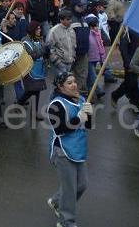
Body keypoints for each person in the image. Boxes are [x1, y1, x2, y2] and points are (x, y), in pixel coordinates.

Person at [46, 71, 93, 227]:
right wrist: (78, 118)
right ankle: (67, 221)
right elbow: (60, 129)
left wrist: (89, 114)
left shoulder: (81, 100)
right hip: (63, 152)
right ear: (60, 86)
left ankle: (56, 201)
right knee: (70, 190)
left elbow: (88, 126)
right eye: (69, 83)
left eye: (74, 81)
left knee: (82, 185)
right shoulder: (56, 105)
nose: (74, 85)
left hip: (79, 149)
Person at [16, 21, 47, 121]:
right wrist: (44, 49)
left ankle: (21, 104)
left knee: (35, 91)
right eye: (37, 29)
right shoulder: (25, 41)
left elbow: (43, 52)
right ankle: (25, 106)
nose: (39, 30)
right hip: (30, 70)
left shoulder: (39, 39)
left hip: (39, 69)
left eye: (39, 28)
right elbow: (33, 55)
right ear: (32, 30)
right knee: (32, 90)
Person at [48, 10, 76, 75]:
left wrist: (73, 58)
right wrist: (58, 62)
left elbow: (74, 45)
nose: (70, 21)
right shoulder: (54, 31)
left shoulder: (71, 30)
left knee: (67, 83)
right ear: (61, 20)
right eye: (68, 19)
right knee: (60, 84)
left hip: (70, 63)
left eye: (70, 19)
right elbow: (50, 48)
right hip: (60, 64)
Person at [85, 16, 106, 99]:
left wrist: (102, 57)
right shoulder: (87, 34)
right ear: (90, 26)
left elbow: (100, 45)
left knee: (89, 77)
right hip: (89, 58)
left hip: (95, 58)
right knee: (93, 76)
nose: (96, 27)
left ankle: (88, 92)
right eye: (94, 26)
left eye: (96, 26)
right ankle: (98, 90)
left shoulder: (97, 34)